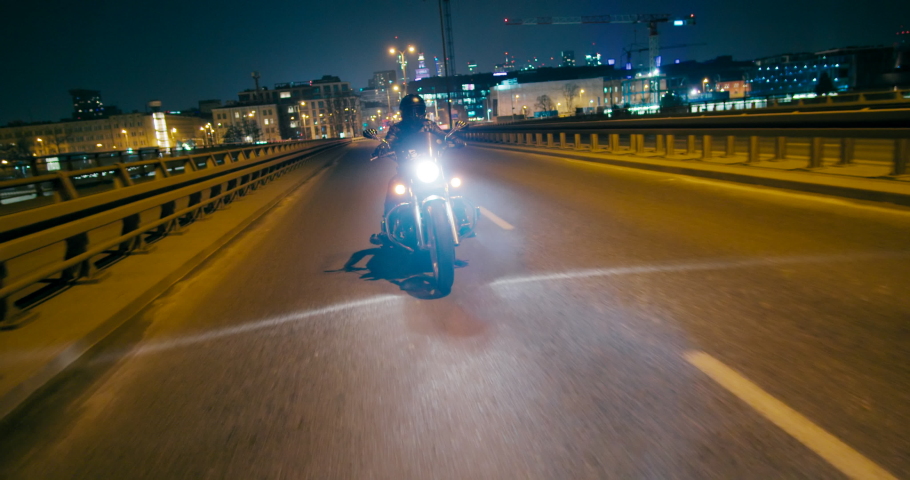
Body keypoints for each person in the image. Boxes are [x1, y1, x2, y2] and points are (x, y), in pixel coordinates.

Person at [370, 94, 462, 245]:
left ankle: (463, 221)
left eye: (418, 110)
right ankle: (387, 230)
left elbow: (442, 136)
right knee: (393, 187)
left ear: (423, 111)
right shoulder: (397, 128)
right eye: (411, 111)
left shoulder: (429, 125)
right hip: (407, 170)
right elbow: (389, 141)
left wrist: (454, 139)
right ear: (403, 112)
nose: (415, 114)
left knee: (452, 181)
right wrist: (383, 146)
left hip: (429, 166)